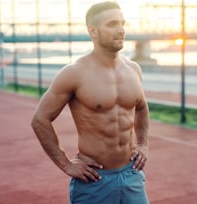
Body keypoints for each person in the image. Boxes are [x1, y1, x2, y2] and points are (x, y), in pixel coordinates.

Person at [31, 1, 150, 203]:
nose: (121, 30)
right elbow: (40, 119)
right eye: (112, 24)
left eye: (122, 23)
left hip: (132, 175)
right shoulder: (74, 73)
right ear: (93, 31)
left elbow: (141, 109)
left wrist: (143, 144)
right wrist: (65, 164)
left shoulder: (133, 69)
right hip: (95, 180)